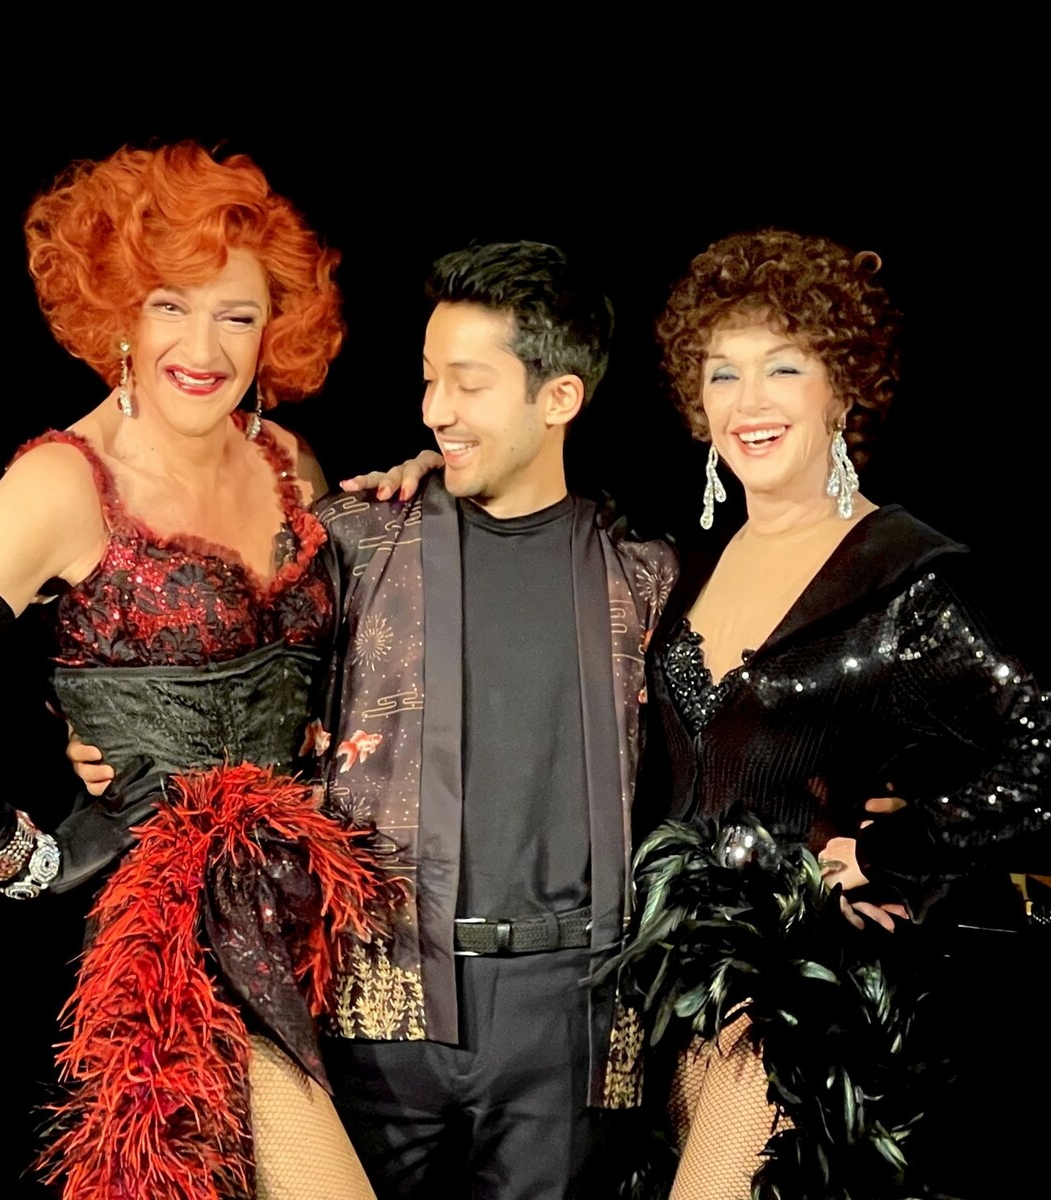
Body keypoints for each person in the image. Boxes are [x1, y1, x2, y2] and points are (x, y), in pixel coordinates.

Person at [0, 141, 400, 1200]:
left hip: (330, 922)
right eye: (169, 305)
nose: (203, 346)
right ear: (119, 313)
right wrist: (24, 856)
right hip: (183, 941)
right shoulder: (64, 481)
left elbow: (356, 662)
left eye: (236, 314)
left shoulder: (289, 461)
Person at [617, 229, 1051, 1199]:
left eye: (782, 368)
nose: (747, 401)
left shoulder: (900, 574)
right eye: (722, 373)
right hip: (667, 992)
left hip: (793, 999)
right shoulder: (687, 569)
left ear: (842, 388)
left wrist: (891, 853)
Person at [298, 241, 678, 1199]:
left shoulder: (645, 577)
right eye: (430, 379)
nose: (435, 409)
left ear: (559, 398)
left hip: (571, 1018)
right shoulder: (355, 541)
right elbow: (236, 687)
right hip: (375, 999)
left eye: (468, 384)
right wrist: (101, 738)